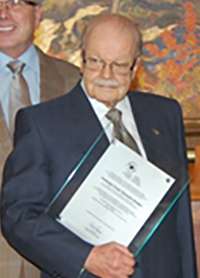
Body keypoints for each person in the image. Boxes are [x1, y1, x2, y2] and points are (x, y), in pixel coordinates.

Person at [1, 13, 197, 278]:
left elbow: (180, 220)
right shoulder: (42, 124)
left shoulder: (164, 114)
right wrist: (85, 257)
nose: (106, 75)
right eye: (96, 62)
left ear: (136, 66)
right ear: (81, 60)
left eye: (119, 65)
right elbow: (19, 216)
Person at [0, 0, 80, 277]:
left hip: (56, 255)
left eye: (15, 3)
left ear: (38, 13)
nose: (3, 13)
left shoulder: (72, 81)